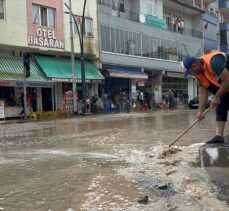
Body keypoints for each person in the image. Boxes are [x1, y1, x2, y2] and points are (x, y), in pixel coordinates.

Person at [182, 51, 229, 144]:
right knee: (220, 104)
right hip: (224, 86)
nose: (191, 75)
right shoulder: (199, 73)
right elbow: (203, 93)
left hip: (227, 79)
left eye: (190, 72)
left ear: (194, 66)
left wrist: (216, 96)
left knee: (218, 97)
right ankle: (219, 135)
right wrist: (200, 111)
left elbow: (227, 80)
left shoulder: (213, 62)